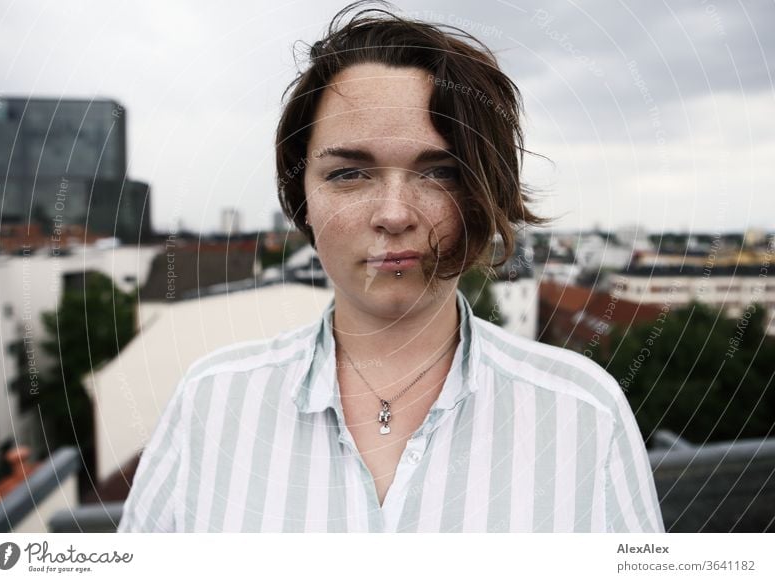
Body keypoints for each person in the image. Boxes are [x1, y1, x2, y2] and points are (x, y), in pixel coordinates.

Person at [118, 1, 664, 533]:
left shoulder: (580, 414)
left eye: (440, 173)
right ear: (301, 194)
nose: (394, 214)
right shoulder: (211, 405)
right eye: (349, 174)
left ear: (486, 193)